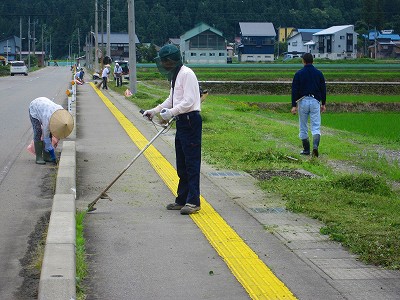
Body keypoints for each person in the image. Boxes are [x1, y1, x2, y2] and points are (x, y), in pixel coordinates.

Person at [143, 44, 202, 215]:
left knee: (191, 163)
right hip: (182, 121)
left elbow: (189, 101)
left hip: (191, 121)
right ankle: (182, 198)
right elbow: (172, 99)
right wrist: (154, 111)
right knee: (182, 164)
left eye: (165, 61)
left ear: (172, 60)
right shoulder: (175, 76)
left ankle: (193, 201)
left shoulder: (187, 74)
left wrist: (171, 113)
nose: (163, 65)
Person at [291, 53, 326, 158]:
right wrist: (323, 103)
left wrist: (294, 105)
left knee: (303, 126)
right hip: (315, 101)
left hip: (303, 101)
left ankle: (306, 149)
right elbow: (323, 89)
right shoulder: (319, 73)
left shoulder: (299, 74)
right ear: (313, 61)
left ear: (303, 61)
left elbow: (294, 90)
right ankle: (315, 146)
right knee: (316, 126)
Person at [29, 97, 74, 164]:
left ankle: (46, 156)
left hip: (44, 106)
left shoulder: (61, 112)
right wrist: (49, 147)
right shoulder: (47, 119)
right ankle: (38, 157)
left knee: (50, 133)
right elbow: (45, 136)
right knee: (38, 131)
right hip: (34, 107)